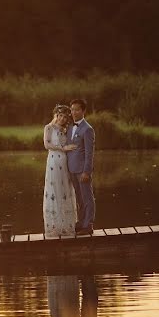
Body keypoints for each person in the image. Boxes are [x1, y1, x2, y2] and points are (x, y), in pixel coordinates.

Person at [43, 104, 78, 237]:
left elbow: (72, 144)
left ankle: (66, 226)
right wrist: (63, 148)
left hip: (64, 161)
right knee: (54, 189)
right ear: (56, 115)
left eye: (65, 116)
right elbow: (47, 145)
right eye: (60, 116)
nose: (62, 118)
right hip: (53, 161)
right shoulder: (49, 127)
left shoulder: (66, 129)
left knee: (65, 190)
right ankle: (54, 226)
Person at [67, 99, 96, 235]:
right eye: (72, 109)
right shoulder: (69, 127)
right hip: (72, 169)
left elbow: (89, 153)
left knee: (87, 197)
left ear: (83, 111)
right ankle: (81, 222)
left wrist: (87, 171)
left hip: (82, 170)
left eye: (77, 109)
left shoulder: (88, 129)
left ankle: (88, 225)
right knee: (79, 198)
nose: (74, 112)